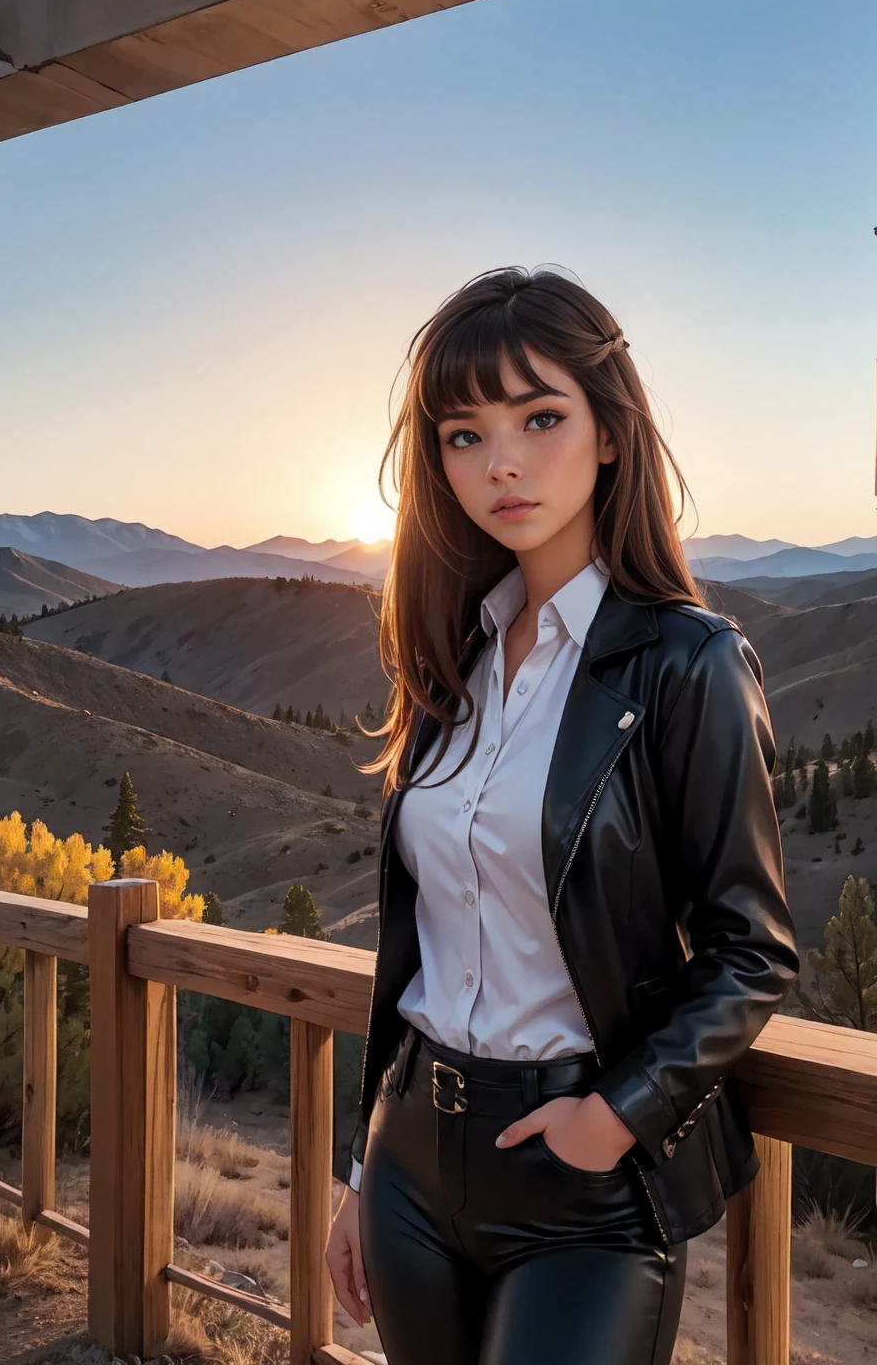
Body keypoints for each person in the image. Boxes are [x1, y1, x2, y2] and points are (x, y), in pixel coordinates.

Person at [325, 267, 798, 1365]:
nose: (500, 462)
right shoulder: (454, 662)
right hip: (409, 1165)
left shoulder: (690, 665)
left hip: (579, 1177)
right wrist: (362, 1172)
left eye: (540, 418)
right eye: (461, 433)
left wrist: (616, 1114)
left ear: (608, 434)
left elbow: (751, 948)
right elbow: (417, 955)